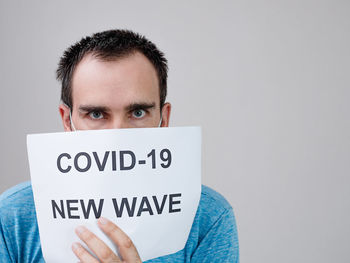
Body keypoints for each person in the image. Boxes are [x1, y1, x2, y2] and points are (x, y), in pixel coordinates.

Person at [0, 29, 239, 262]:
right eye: (95, 114)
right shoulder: (12, 217)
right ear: (67, 120)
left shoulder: (209, 217)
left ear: (164, 120)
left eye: (137, 112)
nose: (117, 136)